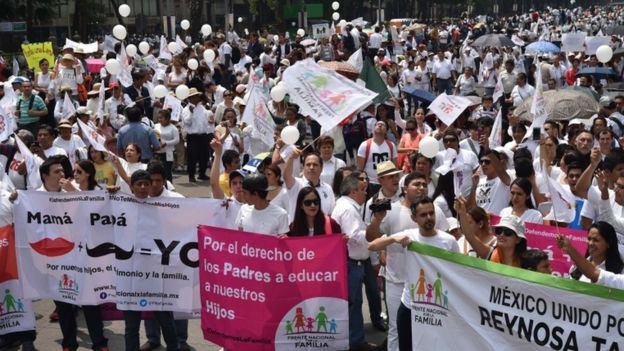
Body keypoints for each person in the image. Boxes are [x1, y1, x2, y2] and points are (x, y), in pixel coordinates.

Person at [368, 196, 459, 351]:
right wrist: (393, 239)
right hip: (410, 306)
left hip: (437, 307)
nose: (429, 218)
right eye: (423, 215)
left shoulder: (448, 241)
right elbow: (372, 246)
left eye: (431, 213)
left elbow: (457, 272)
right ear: (414, 218)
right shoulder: (408, 236)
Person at [122, 170, 179, 351]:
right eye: (139, 184)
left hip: (155, 273)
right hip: (129, 275)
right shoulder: (121, 206)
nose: (143, 187)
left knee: (164, 319)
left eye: (146, 184)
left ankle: (173, 347)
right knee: (131, 325)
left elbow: (186, 218)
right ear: (131, 187)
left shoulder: (163, 207)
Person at [331, 175, 378, 351]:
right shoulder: (348, 209)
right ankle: (356, 342)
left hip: (352, 262)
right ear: (353, 191)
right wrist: (375, 238)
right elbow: (356, 236)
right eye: (363, 189)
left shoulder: (345, 206)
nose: (366, 193)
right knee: (354, 303)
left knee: (353, 303)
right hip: (352, 263)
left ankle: (354, 339)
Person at [557, 235, 624, 289]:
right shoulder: (576, 267)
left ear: (608, 243)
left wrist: (569, 248)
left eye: (596, 240)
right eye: (589, 239)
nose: (591, 243)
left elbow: (594, 274)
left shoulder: (620, 272)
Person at [284, 151, 335, 222]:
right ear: (303, 167)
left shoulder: (328, 188)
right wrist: (291, 158)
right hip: (299, 231)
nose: (311, 167)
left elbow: (331, 213)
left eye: (315, 165)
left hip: (321, 231)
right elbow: (286, 175)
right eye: (308, 165)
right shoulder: (296, 184)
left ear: (321, 167)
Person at [357, 120, 398, 194]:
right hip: (370, 183)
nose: (380, 126)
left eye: (383, 125)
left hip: (386, 184)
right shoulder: (365, 145)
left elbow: (395, 167)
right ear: (373, 128)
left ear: (386, 130)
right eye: (377, 124)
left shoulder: (391, 145)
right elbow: (360, 169)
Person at [154, 109, 179, 182]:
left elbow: (177, 140)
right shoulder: (156, 126)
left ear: (167, 118)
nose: (160, 120)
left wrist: (166, 143)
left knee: (167, 172)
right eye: (159, 118)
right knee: (156, 172)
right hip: (157, 152)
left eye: (161, 118)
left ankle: (169, 188)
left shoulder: (173, 128)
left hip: (168, 153)